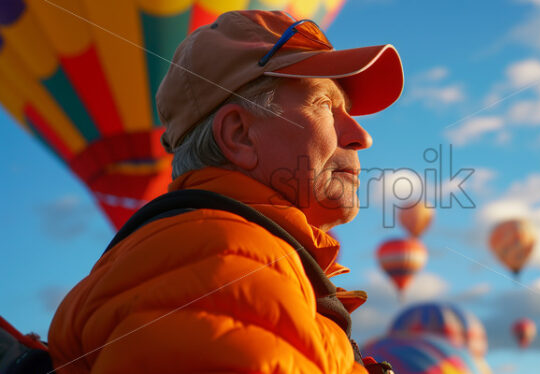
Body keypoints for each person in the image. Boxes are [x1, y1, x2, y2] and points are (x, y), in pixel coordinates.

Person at [47, 10, 403, 374]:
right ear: (240, 135)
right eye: (324, 105)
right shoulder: (227, 262)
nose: (362, 136)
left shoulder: (237, 262)